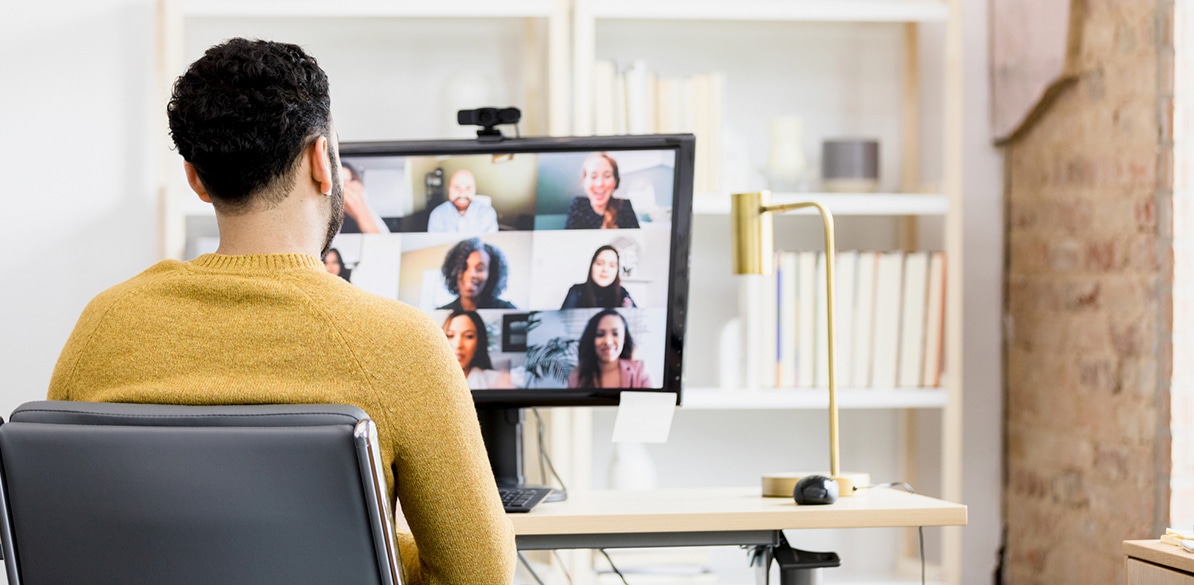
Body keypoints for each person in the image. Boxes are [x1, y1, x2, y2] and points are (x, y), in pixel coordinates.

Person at [46, 38, 514, 585]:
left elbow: (66, 543)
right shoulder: (400, 343)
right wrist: (366, 545)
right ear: (322, 160)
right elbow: (480, 575)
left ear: (195, 177)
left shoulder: (105, 325)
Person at [567, 309, 652, 388]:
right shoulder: (576, 377)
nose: (608, 342)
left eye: (615, 334)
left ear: (624, 338)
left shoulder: (640, 371)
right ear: (591, 339)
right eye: (600, 334)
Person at [565, 152, 640, 230]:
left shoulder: (624, 206)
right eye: (593, 177)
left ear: (615, 181)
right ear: (584, 181)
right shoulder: (579, 205)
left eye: (607, 176)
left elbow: (635, 240)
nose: (599, 184)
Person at [438, 238, 516, 311]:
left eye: (480, 269)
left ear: (492, 274)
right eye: (464, 267)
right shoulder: (440, 314)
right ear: (453, 271)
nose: (472, 275)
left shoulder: (508, 311)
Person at [443, 310, 510, 389]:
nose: (458, 345)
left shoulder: (496, 381)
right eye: (450, 335)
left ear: (479, 343)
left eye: (469, 336)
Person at [560, 245, 637, 309]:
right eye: (600, 264)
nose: (605, 270)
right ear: (592, 266)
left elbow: (637, 322)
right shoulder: (577, 291)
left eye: (612, 265)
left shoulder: (622, 293)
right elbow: (562, 324)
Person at [427, 169, 499, 233]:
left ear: (474, 190)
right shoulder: (437, 215)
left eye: (468, 188)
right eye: (456, 188)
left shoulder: (487, 213)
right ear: (449, 190)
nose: (462, 194)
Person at [339, 161, 390, 234]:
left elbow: (382, 239)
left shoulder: (365, 208)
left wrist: (360, 211)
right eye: (339, 183)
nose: (345, 189)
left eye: (347, 183)